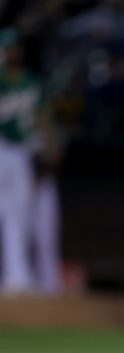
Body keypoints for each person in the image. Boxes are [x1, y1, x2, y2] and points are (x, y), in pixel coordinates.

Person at [0, 28, 42, 295]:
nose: (11, 52)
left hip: (23, 151)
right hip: (1, 147)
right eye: (7, 48)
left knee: (21, 214)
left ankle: (18, 275)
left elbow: (41, 117)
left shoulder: (29, 80)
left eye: (14, 47)